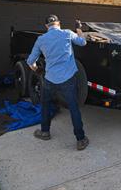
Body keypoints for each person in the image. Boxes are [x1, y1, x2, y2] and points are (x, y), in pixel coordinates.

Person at [26, 15, 89, 151]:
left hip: (50, 79)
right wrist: (79, 29)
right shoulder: (67, 33)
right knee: (73, 108)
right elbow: (83, 42)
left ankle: (45, 132)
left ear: (46, 26)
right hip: (68, 78)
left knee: (45, 105)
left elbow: (30, 61)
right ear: (59, 23)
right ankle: (80, 139)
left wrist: (37, 70)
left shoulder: (41, 39)